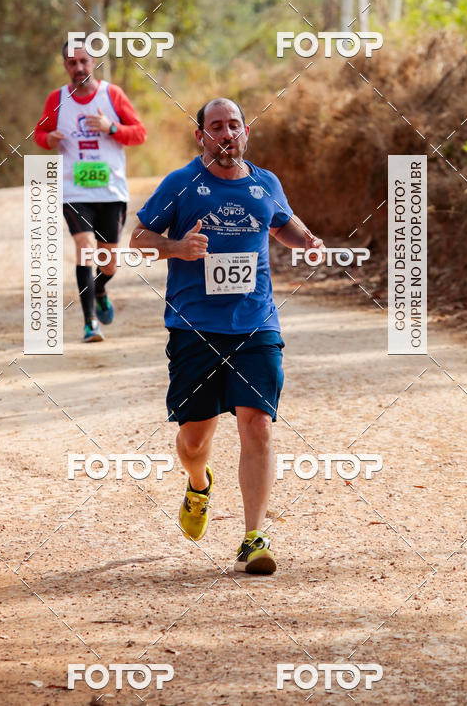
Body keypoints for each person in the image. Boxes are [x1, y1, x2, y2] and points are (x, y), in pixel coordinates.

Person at [131, 98, 323, 574]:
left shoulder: (265, 183)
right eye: (216, 127)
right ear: (201, 137)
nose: (226, 133)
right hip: (194, 327)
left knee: (257, 423)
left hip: (256, 323)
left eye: (234, 125)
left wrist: (309, 242)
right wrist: (176, 247)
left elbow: (284, 225)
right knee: (194, 441)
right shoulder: (181, 184)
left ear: (246, 131)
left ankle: (253, 538)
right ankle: (198, 484)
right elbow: (137, 238)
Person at [35, 42, 147, 343]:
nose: (79, 68)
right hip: (74, 191)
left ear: (93, 62)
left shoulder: (112, 95)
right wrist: (50, 138)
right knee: (84, 250)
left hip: (111, 192)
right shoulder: (56, 99)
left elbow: (139, 133)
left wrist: (112, 128)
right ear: (65, 66)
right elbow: (39, 134)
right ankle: (90, 323)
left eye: (84, 61)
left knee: (108, 263)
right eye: (72, 62)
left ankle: (100, 288)